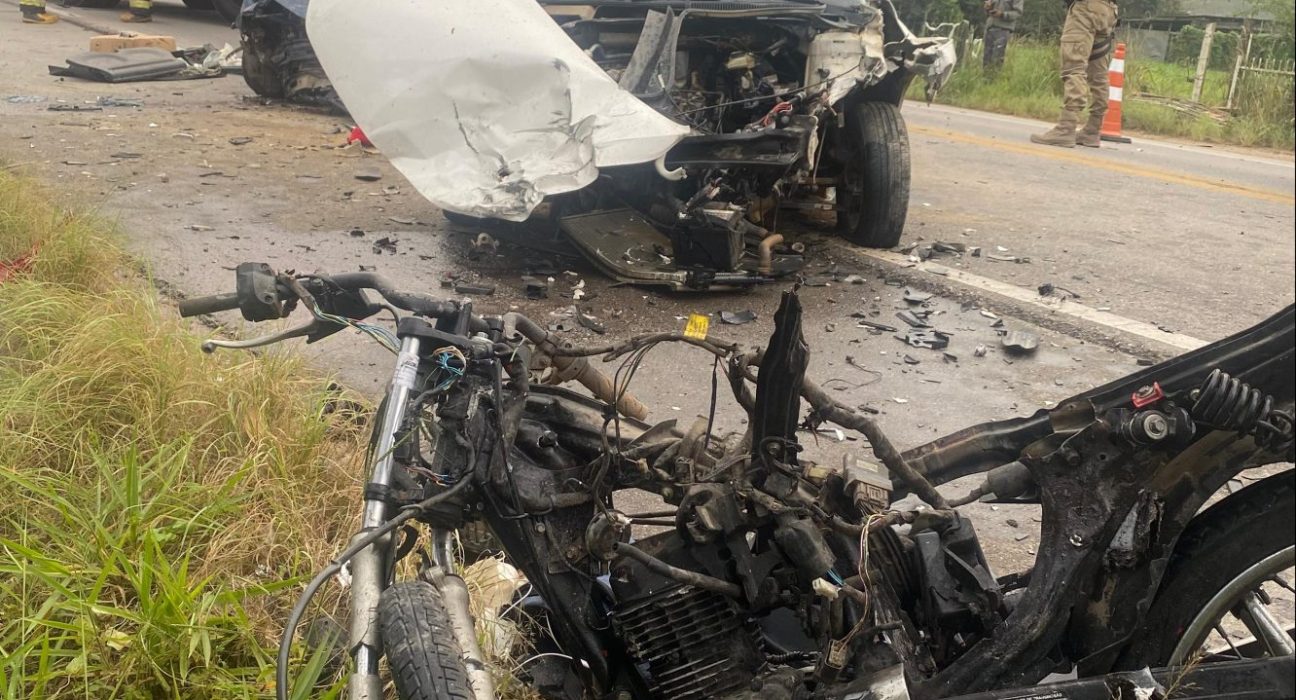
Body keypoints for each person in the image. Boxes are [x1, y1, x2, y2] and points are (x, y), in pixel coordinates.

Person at [1031, 0, 1118, 148]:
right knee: (1099, 74)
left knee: (1074, 67)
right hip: (1109, 10)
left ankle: (1066, 126)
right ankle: (1093, 129)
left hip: (1085, 9)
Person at [982, 0, 1024, 71]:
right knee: (986, 58)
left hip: (1003, 29)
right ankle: (985, 79)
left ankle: (995, 79)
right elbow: (987, 13)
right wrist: (987, 7)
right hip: (990, 28)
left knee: (997, 58)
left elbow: (1018, 13)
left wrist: (1002, 14)